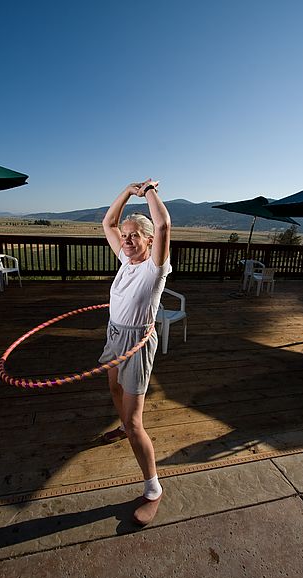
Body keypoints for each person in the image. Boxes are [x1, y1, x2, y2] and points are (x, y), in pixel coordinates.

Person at [98, 178, 171, 526]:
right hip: (114, 336)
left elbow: (163, 223)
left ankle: (154, 489)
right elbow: (107, 223)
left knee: (136, 421)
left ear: (149, 241)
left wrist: (150, 190)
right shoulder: (126, 261)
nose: (126, 240)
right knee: (113, 389)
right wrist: (127, 191)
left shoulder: (154, 269)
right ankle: (123, 426)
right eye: (125, 236)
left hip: (137, 342)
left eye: (134, 236)